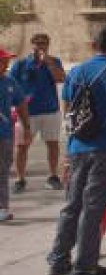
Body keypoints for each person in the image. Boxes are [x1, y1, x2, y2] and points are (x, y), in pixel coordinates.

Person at [47, 26, 106, 275]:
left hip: (78, 146)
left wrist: (69, 150)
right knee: (94, 207)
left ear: (92, 45)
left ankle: (58, 258)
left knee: (71, 204)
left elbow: (67, 114)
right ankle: (85, 264)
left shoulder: (75, 72)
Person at [11, 33, 65, 194]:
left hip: (50, 110)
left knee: (53, 144)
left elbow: (61, 79)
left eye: (44, 43)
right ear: (32, 44)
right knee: (22, 146)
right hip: (27, 113)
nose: (41, 46)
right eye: (38, 43)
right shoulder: (20, 64)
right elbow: (12, 84)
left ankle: (53, 176)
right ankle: (20, 179)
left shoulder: (54, 62)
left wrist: (49, 64)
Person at [0, 47, 32, 222]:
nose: (6, 64)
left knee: (2, 171)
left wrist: (26, 127)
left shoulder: (10, 82)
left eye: (7, 60)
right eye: (3, 61)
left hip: (4, 134)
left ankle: (2, 208)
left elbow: (21, 104)